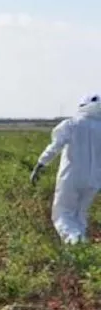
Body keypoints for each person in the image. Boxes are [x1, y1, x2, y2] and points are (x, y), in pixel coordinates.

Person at [32, 94, 101, 245]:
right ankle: (82, 245)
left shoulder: (71, 124)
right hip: (94, 180)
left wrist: (41, 164)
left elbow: (55, 147)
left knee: (62, 214)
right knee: (80, 215)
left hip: (71, 177)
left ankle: (74, 244)